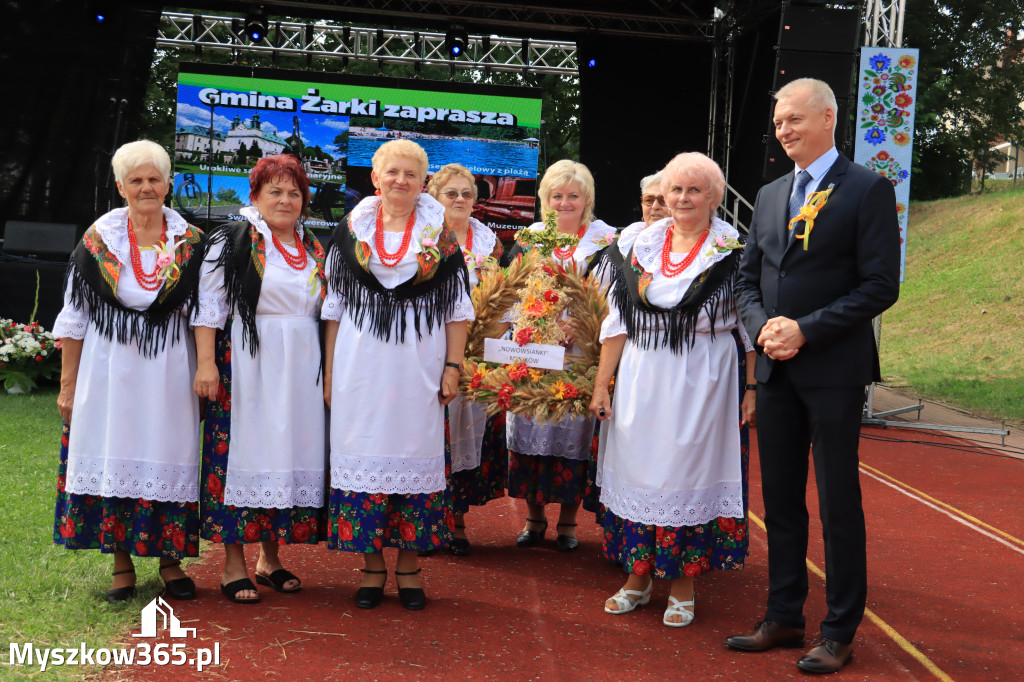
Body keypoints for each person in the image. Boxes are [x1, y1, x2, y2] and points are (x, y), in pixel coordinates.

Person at [728, 78, 901, 673]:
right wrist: (764, 328)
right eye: (779, 123)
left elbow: (881, 285)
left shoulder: (867, 189)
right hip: (775, 370)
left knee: (836, 503)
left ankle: (839, 628)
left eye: (794, 120)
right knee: (778, 499)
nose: (783, 131)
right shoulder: (772, 193)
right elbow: (748, 279)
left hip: (832, 371)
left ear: (828, 117)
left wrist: (807, 328)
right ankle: (782, 615)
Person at [589, 152, 756, 627]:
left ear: (714, 198)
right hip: (642, 376)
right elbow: (617, 322)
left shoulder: (731, 252)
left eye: (694, 190)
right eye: (675, 190)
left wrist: (751, 388)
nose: (682, 199)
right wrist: (603, 384)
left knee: (686, 477)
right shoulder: (639, 247)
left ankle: (683, 587)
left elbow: (747, 329)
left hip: (703, 379)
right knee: (639, 473)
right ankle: (637, 579)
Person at [52, 140, 205, 602]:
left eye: (154, 178)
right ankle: (121, 563)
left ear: (168, 184)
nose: (146, 187)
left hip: (169, 371)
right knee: (114, 452)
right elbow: (74, 318)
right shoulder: (97, 243)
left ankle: (170, 561)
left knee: (169, 454)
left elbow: (204, 314)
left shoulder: (191, 243)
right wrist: (67, 385)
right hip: (109, 372)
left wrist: (206, 370)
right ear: (120, 187)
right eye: (135, 180)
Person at [322, 140, 472, 610]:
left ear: (423, 183)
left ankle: (408, 567)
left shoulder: (439, 236)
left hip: (418, 368)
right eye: (392, 172)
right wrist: (329, 373)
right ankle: (371, 567)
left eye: (411, 174)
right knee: (362, 454)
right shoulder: (350, 232)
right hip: (359, 367)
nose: (400, 181)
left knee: (415, 456)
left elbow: (458, 309)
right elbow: (333, 309)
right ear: (375, 177)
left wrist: (453, 366)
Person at [192, 155, 327, 604]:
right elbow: (209, 308)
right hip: (250, 359)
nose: (286, 200)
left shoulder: (314, 246)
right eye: (275, 191)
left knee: (286, 453)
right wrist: (207, 365)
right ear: (255, 197)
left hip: (301, 363)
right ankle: (233, 564)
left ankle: (270, 560)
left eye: (294, 192)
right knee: (240, 455)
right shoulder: (232, 240)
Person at [504, 159, 617, 552]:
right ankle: (534, 521)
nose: (564, 203)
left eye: (573, 195)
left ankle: (568, 524)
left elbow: (613, 300)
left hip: (581, 351)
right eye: (556, 196)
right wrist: (528, 327)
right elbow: (509, 291)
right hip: (533, 349)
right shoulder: (530, 237)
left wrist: (584, 325)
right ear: (544, 199)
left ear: (586, 199)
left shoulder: (606, 241)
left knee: (573, 429)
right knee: (531, 428)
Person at [425, 163, 507, 556]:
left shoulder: (490, 243)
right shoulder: (423, 238)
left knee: (463, 435)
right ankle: (423, 523)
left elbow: (503, 298)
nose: (459, 200)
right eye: (451, 193)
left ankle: (455, 522)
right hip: (426, 349)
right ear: (435, 197)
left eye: (467, 194)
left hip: (475, 352)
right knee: (428, 435)